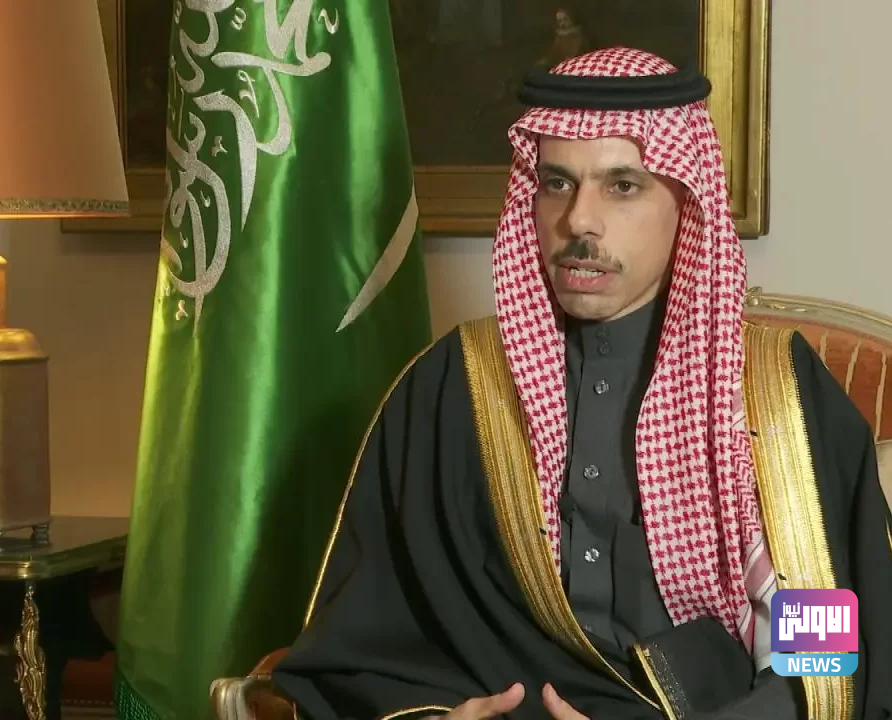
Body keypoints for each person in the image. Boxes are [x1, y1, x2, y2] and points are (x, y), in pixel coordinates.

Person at [272, 47, 892, 719]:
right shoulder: (452, 387)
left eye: (622, 185)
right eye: (557, 183)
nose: (578, 221)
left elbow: (825, 660)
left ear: (686, 200)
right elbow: (364, 643)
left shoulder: (777, 395)